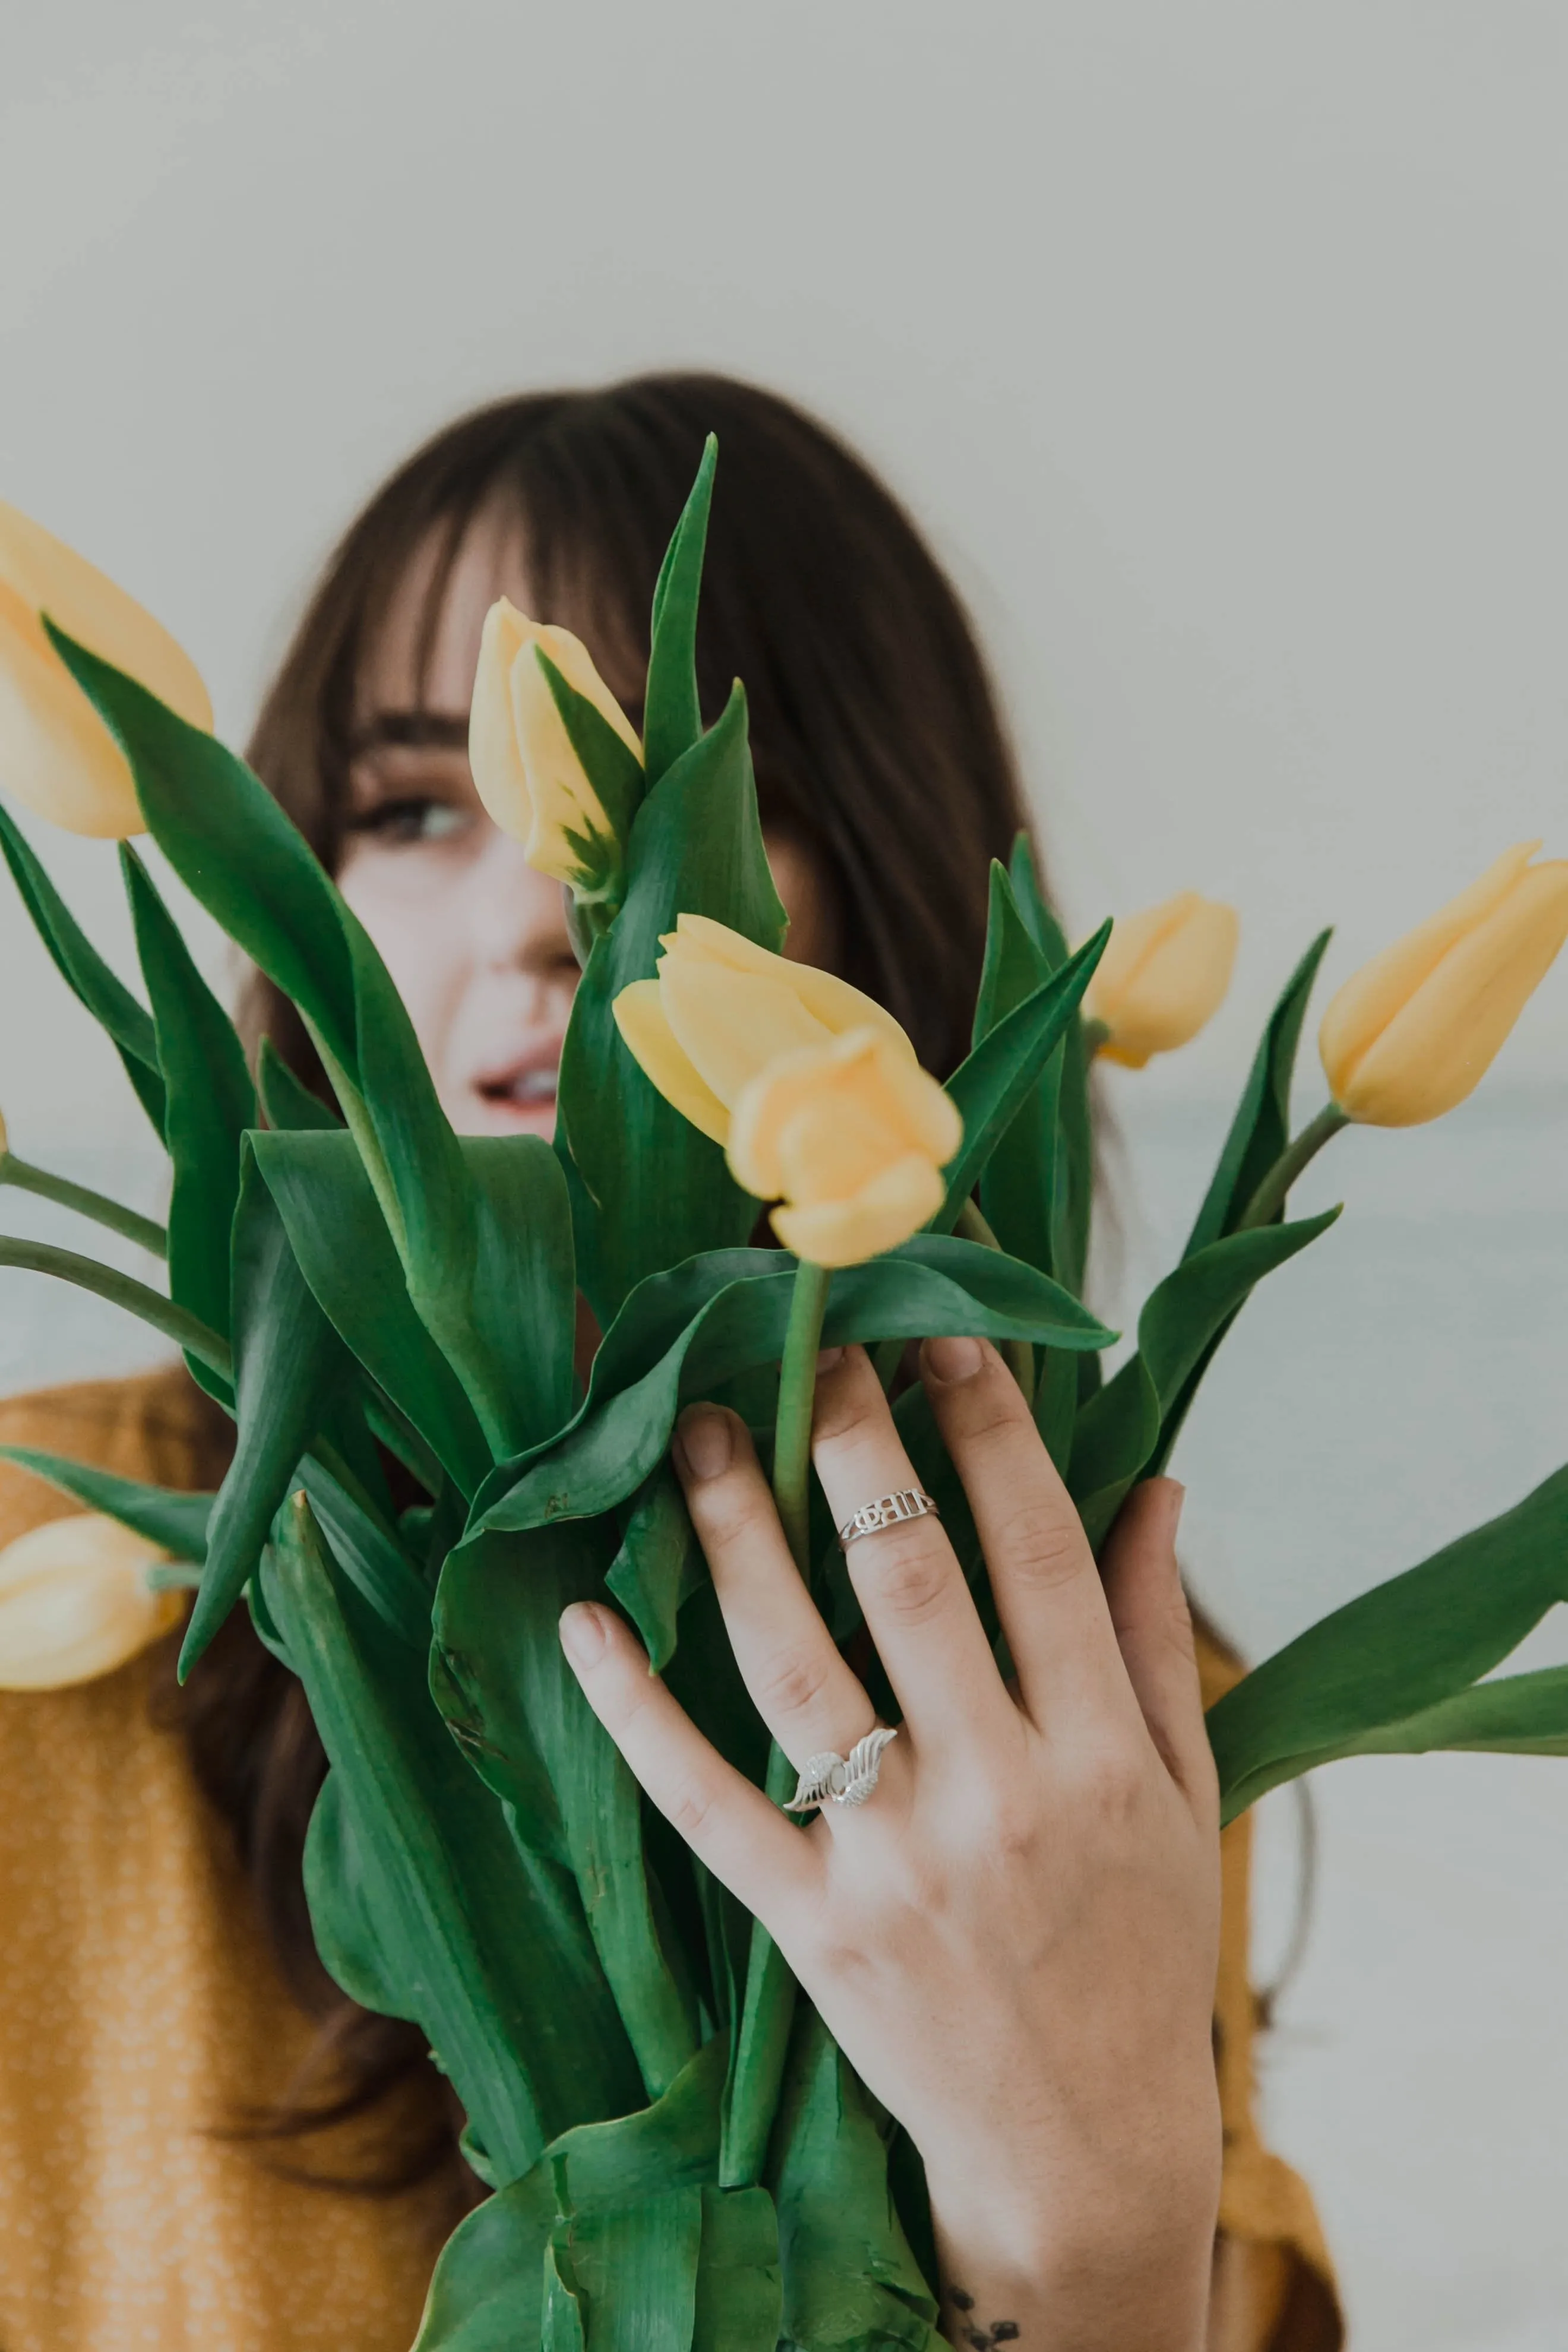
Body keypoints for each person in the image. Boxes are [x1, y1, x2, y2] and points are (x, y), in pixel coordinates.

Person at [0, 375, 1341, 2351]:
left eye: (676, 807)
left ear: (875, 895)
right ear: (289, 883)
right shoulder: (63, 1568)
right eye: (404, 808)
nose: (542, 912)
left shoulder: (1068, 1706)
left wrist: (1094, 2222)